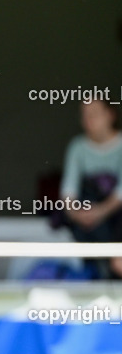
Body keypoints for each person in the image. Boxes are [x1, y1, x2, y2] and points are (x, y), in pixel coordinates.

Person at [58, 100, 122, 278]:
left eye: (94, 114)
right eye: (84, 115)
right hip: (87, 222)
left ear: (110, 115)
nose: (88, 120)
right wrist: (76, 213)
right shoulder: (77, 147)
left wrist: (100, 212)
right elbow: (68, 190)